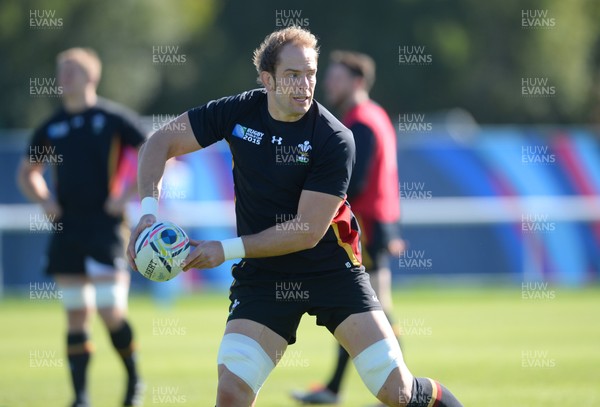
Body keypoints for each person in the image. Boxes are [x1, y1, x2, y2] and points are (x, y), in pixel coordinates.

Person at [127, 26, 462, 407]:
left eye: (311, 74)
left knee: (396, 392)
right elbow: (159, 143)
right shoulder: (237, 111)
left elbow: (306, 231)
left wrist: (225, 249)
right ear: (267, 79)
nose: (305, 85)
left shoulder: (335, 138)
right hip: (265, 275)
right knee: (232, 391)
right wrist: (147, 216)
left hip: (331, 270)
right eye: (292, 75)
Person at [18, 48, 145, 407]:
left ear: (92, 76)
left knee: (109, 309)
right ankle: (80, 398)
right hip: (67, 228)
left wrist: (126, 195)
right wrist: (45, 200)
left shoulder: (113, 118)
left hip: (106, 227)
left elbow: (155, 150)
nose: (64, 76)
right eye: (60, 70)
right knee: (76, 313)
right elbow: (28, 172)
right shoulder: (51, 126)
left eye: (72, 70)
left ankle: (134, 381)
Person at [292, 50, 405, 405]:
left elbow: (353, 182)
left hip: (366, 227)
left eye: (336, 78)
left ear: (356, 82)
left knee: (371, 310)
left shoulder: (361, 122)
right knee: (369, 309)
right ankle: (339, 389)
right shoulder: (375, 116)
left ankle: (402, 387)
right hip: (377, 224)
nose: (327, 83)